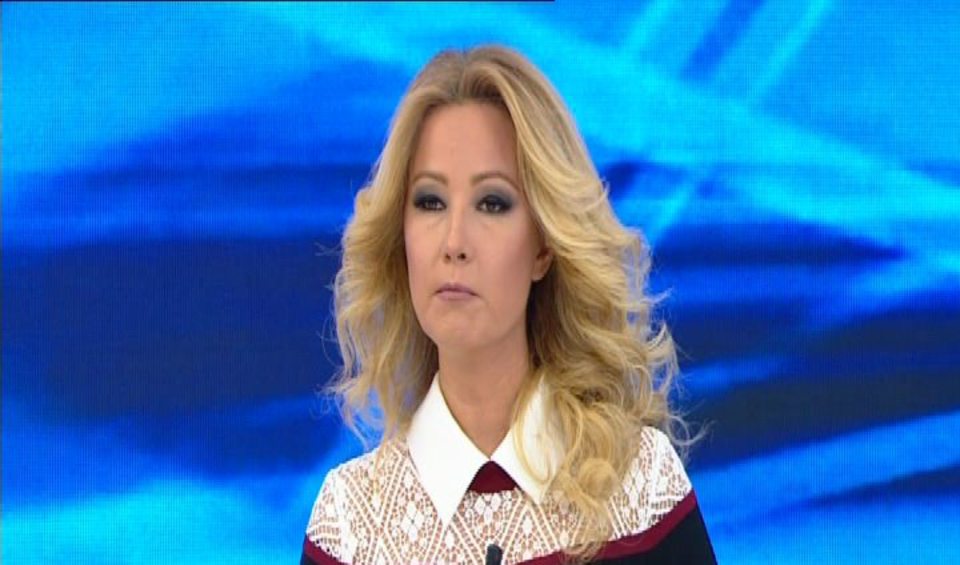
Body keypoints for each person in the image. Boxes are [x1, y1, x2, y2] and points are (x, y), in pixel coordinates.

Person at [301, 45, 716, 564]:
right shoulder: (350, 524)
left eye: (492, 203)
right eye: (430, 201)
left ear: (544, 246)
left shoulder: (640, 488)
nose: (454, 241)